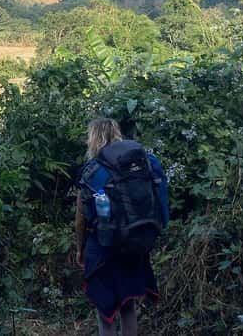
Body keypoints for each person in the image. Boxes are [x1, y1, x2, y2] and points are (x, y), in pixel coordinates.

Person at [75, 118, 169, 336]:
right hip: (136, 243)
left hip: (104, 249)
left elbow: (81, 218)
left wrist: (80, 249)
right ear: (117, 134)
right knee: (128, 306)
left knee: (106, 312)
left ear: (93, 138)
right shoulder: (143, 162)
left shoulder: (94, 170)